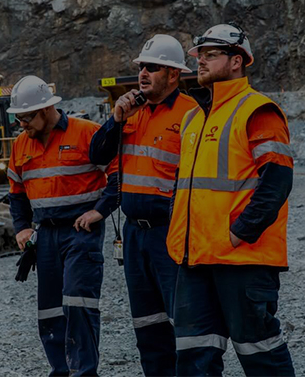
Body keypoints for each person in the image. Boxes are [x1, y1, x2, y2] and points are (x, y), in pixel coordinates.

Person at [166, 24, 296, 376]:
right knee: (194, 355)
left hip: (242, 259)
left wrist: (240, 233)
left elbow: (277, 182)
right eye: (200, 55)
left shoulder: (257, 110)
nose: (201, 61)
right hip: (194, 258)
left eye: (211, 55)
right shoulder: (193, 118)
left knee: (260, 353)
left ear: (236, 61)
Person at [89, 34, 196, 376]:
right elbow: (97, 155)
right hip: (135, 235)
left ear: (173, 74)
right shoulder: (131, 112)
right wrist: (116, 120)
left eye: (153, 67)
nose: (143, 73)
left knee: (184, 322)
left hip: (171, 233)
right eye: (141, 67)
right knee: (147, 325)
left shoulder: (191, 114)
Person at [6, 75, 118, 376]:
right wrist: (22, 227)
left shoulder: (87, 133)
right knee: (50, 312)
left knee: (78, 304)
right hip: (45, 235)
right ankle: (61, 371)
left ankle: (84, 372)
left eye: (26, 118)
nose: (22, 125)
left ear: (45, 110)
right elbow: (16, 193)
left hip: (81, 232)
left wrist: (100, 212)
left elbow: (118, 175)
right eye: (18, 119)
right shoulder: (20, 145)